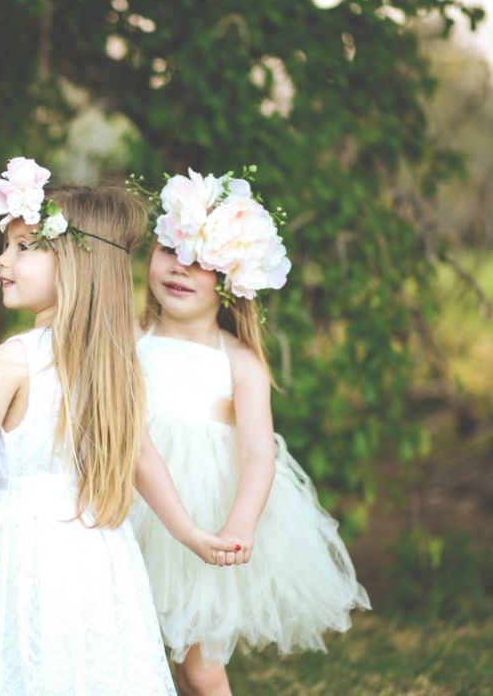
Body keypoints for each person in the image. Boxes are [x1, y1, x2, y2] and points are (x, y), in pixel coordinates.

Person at [0, 158, 240, 695]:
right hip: (99, 556)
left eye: (25, 247)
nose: (3, 259)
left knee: (18, 664)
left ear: (74, 263)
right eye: (6, 246)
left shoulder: (15, 358)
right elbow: (144, 460)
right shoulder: (116, 362)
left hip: (19, 552)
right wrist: (188, 532)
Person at [133, 168, 370, 696]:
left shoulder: (239, 361)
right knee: (134, 649)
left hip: (204, 514)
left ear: (233, 280)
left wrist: (239, 523)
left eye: (202, 262)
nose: (180, 269)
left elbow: (260, 453)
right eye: (171, 250)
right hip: (128, 504)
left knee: (198, 667)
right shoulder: (128, 337)